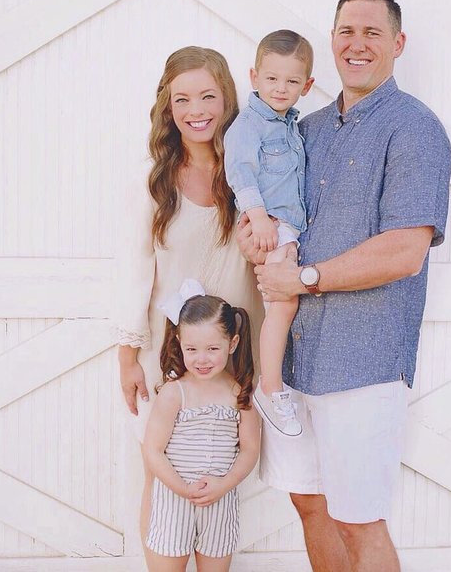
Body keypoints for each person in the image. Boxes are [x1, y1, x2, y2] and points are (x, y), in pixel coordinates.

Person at [239, 0, 451, 572]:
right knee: (310, 505)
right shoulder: (302, 129)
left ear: (398, 44)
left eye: (372, 33)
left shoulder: (414, 130)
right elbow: (273, 217)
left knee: (359, 519)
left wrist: (303, 279)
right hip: (296, 363)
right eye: (346, 32)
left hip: (363, 362)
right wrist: (251, 234)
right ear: (332, 40)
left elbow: (405, 250)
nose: (356, 45)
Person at [115, 47, 262, 567]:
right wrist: (129, 353)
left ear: (227, 99)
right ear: (167, 107)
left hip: (233, 354)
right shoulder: (155, 180)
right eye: (182, 99)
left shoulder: (251, 176)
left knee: (223, 467)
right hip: (169, 353)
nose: (195, 109)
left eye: (207, 96)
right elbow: (137, 270)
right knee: (159, 478)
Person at [224, 30, 314, 437]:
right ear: (254, 77)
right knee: (283, 304)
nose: (281, 88)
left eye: (292, 81)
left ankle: (275, 384)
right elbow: (240, 173)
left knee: (286, 305)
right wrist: (258, 218)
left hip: (288, 229)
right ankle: (271, 387)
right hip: (269, 227)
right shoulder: (249, 125)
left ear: (307, 86)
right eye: (272, 79)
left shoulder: (290, 126)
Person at [142, 279, 260, 572]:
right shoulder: (174, 393)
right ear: (180, 343)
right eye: (192, 349)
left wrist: (225, 485)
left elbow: (249, 450)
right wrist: (182, 489)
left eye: (212, 348)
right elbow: (153, 451)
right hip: (174, 500)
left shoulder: (239, 392)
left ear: (232, 344)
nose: (202, 359)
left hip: (220, 501)